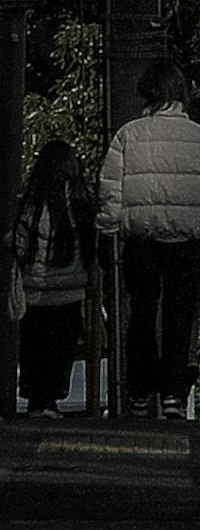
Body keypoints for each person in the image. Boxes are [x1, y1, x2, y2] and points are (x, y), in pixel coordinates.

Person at [97, 63, 200, 414]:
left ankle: (140, 389)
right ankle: (173, 394)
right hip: (187, 242)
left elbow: (112, 190)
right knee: (179, 318)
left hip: (141, 239)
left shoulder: (128, 134)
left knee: (141, 314)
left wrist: (107, 227)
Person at [11, 135, 94, 414]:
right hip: (70, 291)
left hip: (36, 290)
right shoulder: (80, 205)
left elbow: (20, 245)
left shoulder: (31, 204)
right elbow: (90, 248)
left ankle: (35, 399)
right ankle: (51, 399)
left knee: (34, 346)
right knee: (61, 349)